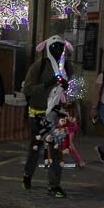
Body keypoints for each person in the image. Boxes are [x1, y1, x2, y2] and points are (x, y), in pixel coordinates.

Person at [22, 36, 75, 198]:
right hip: (38, 113)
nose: (59, 50)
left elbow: (72, 91)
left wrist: (68, 90)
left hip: (57, 114)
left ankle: (54, 185)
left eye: (61, 47)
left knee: (56, 149)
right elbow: (28, 90)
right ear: (48, 48)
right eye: (56, 47)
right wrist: (48, 83)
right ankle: (27, 175)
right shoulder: (38, 66)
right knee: (35, 147)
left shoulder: (67, 66)